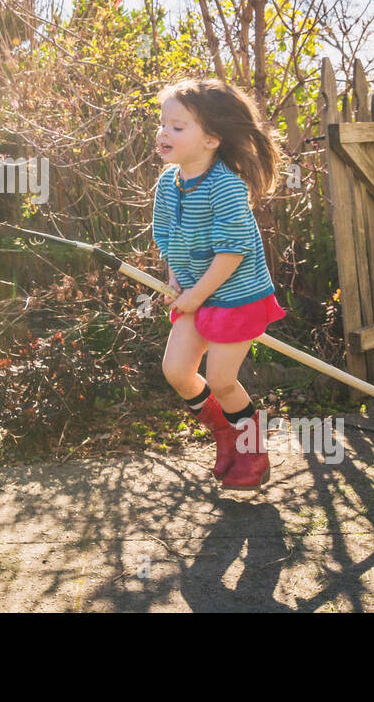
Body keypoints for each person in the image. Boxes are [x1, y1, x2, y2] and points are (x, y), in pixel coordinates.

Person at [151, 76, 287, 489]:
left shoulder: (225, 186)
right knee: (177, 371)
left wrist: (195, 295)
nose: (164, 133)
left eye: (178, 126)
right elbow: (169, 240)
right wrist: (176, 282)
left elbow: (232, 252)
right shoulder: (168, 186)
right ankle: (224, 435)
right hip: (194, 293)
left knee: (223, 379)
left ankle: (253, 450)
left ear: (211, 139)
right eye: (162, 124)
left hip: (234, 295)